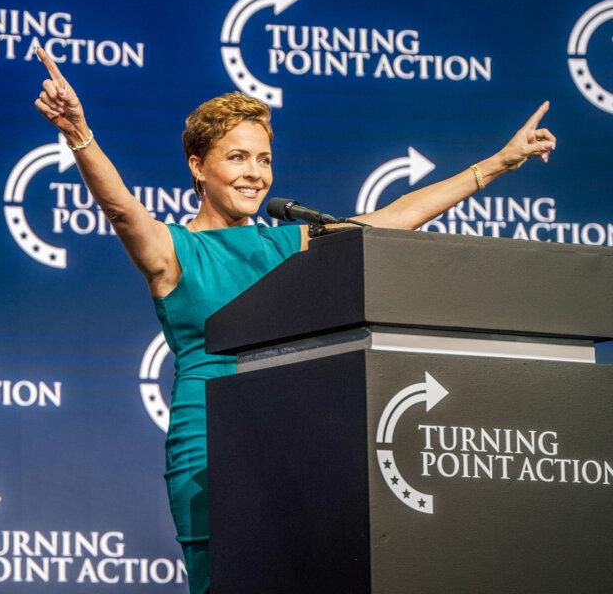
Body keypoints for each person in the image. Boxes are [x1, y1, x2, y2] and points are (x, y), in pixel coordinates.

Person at [31, 46, 556, 594]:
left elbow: (390, 220)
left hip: (292, 440)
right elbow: (122, 211)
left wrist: (497, 163)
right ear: (198, 166)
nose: (254, 174)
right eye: (237, 157)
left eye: (263, 159)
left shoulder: (290, 241)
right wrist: (79, 134)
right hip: (210, 449)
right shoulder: (173, 251)